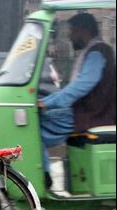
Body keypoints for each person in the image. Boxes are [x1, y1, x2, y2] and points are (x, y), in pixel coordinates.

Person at [39, 13, 116, 188]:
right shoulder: (93, 51)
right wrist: (49, 100)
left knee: (34, 129)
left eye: (72, 31)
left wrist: (48, 102)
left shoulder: (97, 52)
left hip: (90, 114)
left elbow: (82, 86)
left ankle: (44, 178)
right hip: (85, 111)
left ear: (84, 31)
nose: (69, 36)